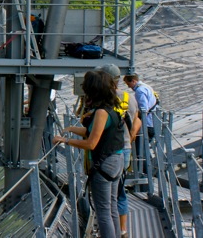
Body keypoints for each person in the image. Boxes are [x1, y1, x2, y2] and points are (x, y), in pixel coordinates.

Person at [54, 71, 124, 238]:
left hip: (104, 163)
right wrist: (71, 129)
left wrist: (65, 141)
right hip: (116, 160)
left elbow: (91, 143)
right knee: (112, 206)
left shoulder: (100, 113)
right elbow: (93, 132)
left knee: (103, 212)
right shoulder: (110, 109)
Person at [98, 64, 141, 238]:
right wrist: (130, 137)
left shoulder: (103, 100)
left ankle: (110, 231)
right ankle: (122, 229)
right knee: (120, 190)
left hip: (107, 151)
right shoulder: (128, 97)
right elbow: (136, 120)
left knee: (106, 197)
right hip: (125, 149)